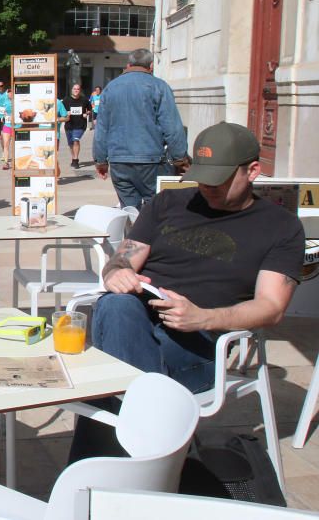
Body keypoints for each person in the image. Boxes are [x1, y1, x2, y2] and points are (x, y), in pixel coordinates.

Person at [68, 122, 305, 463]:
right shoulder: (168, 203)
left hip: (199, 344)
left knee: (107, 378)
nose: (207, 186)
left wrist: (203, 317)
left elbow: (271, 307)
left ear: (252, 171)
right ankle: (156, 455)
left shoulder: (280, 227)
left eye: (219, 178)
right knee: (117, 306)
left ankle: (114, 468)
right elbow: (123, 259)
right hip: (135, 322)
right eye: (201, 175)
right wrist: (116, 271)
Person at [93, 48, 188, 210]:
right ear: (151, 66)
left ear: (128, 64)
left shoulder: (110, 88)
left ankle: (132, 234)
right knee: (156, 211)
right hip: (151, 161)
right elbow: (172, 126)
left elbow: (101, 128)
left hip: (119, 161)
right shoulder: (159, 86)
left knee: (129, 211)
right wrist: (180, 159)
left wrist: (100, 161)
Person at [62, 82, 91, 169]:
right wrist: (66, 113)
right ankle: (74, 158)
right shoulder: (66, 100)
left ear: (80, 90)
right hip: (69, 125)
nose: (76, 90)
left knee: (75, 140)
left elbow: (89, 109)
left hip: (80, 125)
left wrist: (86, 113)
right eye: (74, 89)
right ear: (72, 90)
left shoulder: (84, 100)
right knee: (71, 143)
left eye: (78, 89)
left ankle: (75, 159)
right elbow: (61, 111)